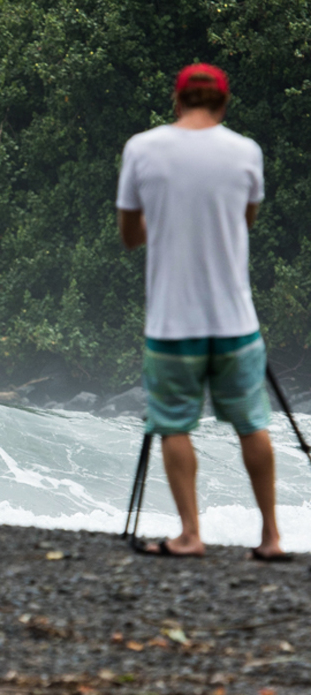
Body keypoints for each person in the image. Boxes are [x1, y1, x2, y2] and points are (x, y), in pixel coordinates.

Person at [116, 63, 288, 561]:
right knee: (252, 424)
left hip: (173, 325)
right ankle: (271, 537)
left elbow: (131, 236)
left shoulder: (142, 148)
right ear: (224, 103)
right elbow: (243, 220)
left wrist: (165, 220)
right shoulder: (246, 152)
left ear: (177, 101)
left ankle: (191, 535)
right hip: (236, 321)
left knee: (174, 425)